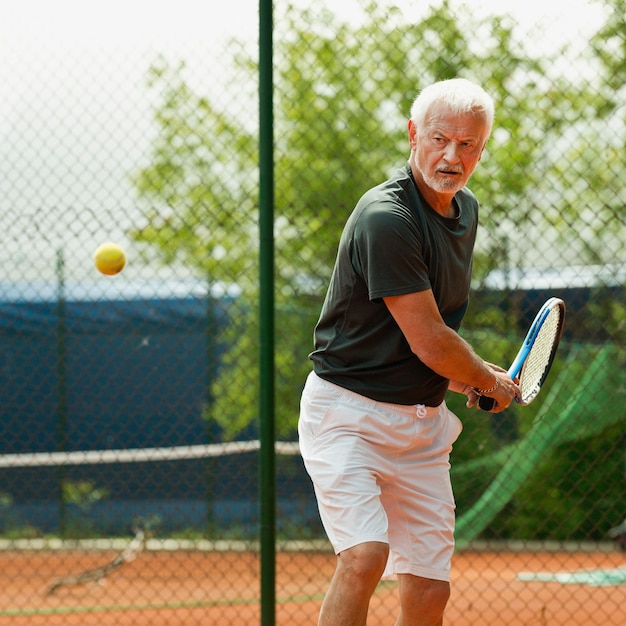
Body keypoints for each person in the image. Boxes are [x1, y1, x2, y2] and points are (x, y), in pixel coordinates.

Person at [298, 78, 519, 626]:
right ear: (413, 134)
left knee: (427, 588)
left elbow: (423, 340)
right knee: (365, 556)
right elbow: (429, 338)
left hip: (421, 427)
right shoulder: (386, 217)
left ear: (482, 149)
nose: (452, 156)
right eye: (440, 139)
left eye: (468, 145)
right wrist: (486, 380)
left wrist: (468, 378)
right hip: (348, 416)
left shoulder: (464, 212)